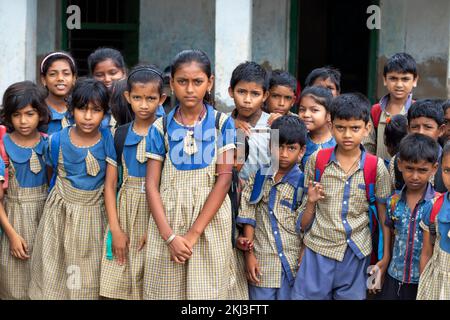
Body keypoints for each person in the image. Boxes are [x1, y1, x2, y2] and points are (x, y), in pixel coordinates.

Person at [143, 49, 237, 299]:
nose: (190, 89)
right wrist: (170, 236)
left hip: (209, 222)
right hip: (168, 221)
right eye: (182, 81)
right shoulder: (160, 127)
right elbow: (151, 185)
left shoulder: (222, 124)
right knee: (165, 290)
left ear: (210, 83)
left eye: (198, 82)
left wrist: (194, 233)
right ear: (171, 84)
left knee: (206, 292)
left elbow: (224, 179)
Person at [292, 93, 392, 300]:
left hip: (356, 253)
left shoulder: (376, 167)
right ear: (331, 126)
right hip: (318, 250)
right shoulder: (317, 161)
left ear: (367, 129)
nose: (347, 134)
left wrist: (385, 257)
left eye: (355, 128)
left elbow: (384, 218)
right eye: (340, 128)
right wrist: (310, 203)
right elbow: (303, 218)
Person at [29, 78, 117, 299]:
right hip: (59, 217)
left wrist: (115, 229)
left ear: (105, 112)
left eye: (96, 111)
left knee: (85, 280)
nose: (88, 117)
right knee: (56, 273)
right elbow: (51, 176)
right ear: (71, 108)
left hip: (94, 219)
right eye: (81, 109)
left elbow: (110, 185)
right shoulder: (56, 140)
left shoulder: (109, 139)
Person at [99, 65, 167, 300]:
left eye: (151, 98)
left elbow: (166, 183)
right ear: (127, 97)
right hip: (124, 211)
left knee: (151, 284)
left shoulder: (167, 133)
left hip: (157, 213)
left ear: (162, 99)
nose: (144, 104)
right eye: (137, 98)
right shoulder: (118, 134)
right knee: (118, 281)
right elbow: (110, 185)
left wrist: (158, 229)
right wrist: (116, 230)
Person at [237, 115, 307, 300]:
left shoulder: (303, 183)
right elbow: (248, 214)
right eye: (278, 146)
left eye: (291, 148)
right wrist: (249, 255)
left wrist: (303, 254)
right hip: (262, 263)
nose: (283, 154)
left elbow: (307, 226)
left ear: (301, 151)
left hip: (291, 265)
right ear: (270, 145)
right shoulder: (259, 177)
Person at [0, 81, 50, 299]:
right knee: (14, 284)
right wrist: (11, 235)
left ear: (40, 113)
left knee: (45, 283)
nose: (23, 121)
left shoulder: (50, 143)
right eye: (17, 115)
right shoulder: (2, 146)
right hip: (13, 219)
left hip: (46, 221)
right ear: (8, 116)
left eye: (29, 114)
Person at [380, 134, 441, 300]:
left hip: (423, 282)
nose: (415, 176)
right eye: (409, 168)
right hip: (394, 276)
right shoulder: (393, 202)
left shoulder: (438, 204)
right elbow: (389, 230)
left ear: (434, 168)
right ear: (399, 165)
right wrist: (385, 259)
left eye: (422, 170)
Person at [369, 53, 419, 162]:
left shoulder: (417, 111)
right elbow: (369, 147)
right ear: (384, 79)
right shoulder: (376, 111)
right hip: (379, 172)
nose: (399, 84)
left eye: (405, 79)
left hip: (408, 171)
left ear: (414, 81)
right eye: (393, 78)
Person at [390, 99, 446, 193]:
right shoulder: (396, 161)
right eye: (415, 127)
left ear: (441, 130)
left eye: (428, 127)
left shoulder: (447, 162)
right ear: (408, 130)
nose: (421, 132)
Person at [417, 141, 450, 300]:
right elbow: (426, 252)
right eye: (447, 170)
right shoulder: (435, 206)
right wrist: (424, 284)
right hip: (436, 284)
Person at [229, 61, 271, 181]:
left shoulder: (272, 126)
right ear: (231, 92)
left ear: (264, 96)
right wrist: (230, 125)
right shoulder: (221, 122)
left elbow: (276, 167)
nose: (247, 100)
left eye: (255, 94)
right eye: (241, 92)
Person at [88, 47, 127, 130]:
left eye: (113, 73)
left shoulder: (135, 98)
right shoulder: (88, 100)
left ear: (123, 72)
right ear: (92, 76)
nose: (107, 79)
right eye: (99, 75)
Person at [297, 86, 335, 169]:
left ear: (329, 115)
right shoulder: (298, 140)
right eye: (302, 109)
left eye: (314, 110)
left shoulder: (338, 143)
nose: (306, 115)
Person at [39, 51, 77, 134]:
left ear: (74, 78)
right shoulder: (37, 110)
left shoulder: (80, 109)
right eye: (53, 74)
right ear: (43, 79)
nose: (60, 78)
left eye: (66, 74)